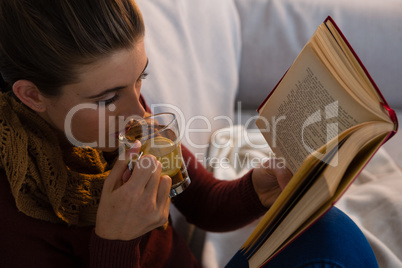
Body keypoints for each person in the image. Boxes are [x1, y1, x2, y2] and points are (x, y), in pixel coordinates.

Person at [0, 0, 378, 267]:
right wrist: (116, 241)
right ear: (32, 95)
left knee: (332, 233)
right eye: (107, 98)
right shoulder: (16, 207)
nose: (139, 111)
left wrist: (259, 187)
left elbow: (200, 202)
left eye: (140, 79)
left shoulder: (127, 119)